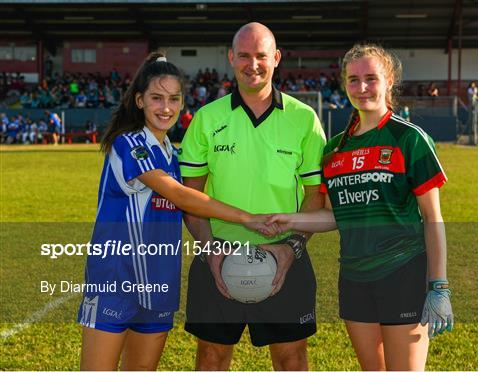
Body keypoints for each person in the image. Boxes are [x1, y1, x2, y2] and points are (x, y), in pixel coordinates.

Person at [77, 52, 274, 371]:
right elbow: (182, 196)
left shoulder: (174, 156)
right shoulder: (128, 145)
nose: (165, 108)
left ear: (183, 103)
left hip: (159, 283)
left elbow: (192, 209)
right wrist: (248, 218)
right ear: (139, 100)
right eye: (156, 98)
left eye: (173, 99)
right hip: (115, 279)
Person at [267, 44, 453, 370]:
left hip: (404, 273)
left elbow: (432, 216)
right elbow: (335, 216)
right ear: (344, 83)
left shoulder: (409, 138)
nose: (362, 87)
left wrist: (438, 286)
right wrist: (289, 220)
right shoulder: (334, 149)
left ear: (389, 80)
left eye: (371, 78)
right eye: (353, 80)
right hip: (354, 278)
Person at [179, 22, 326, 370]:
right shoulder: (206, 118)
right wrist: (210, 248)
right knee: (211, 357)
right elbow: (190, 199)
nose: (253, 64)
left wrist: (291, 248)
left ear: (276, 58)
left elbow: (314, 198)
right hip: (217, 252)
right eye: (244, 55)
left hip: (285, 257)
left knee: (291, 357)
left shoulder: (304, 119)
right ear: (231, 58)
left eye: (261, 55)